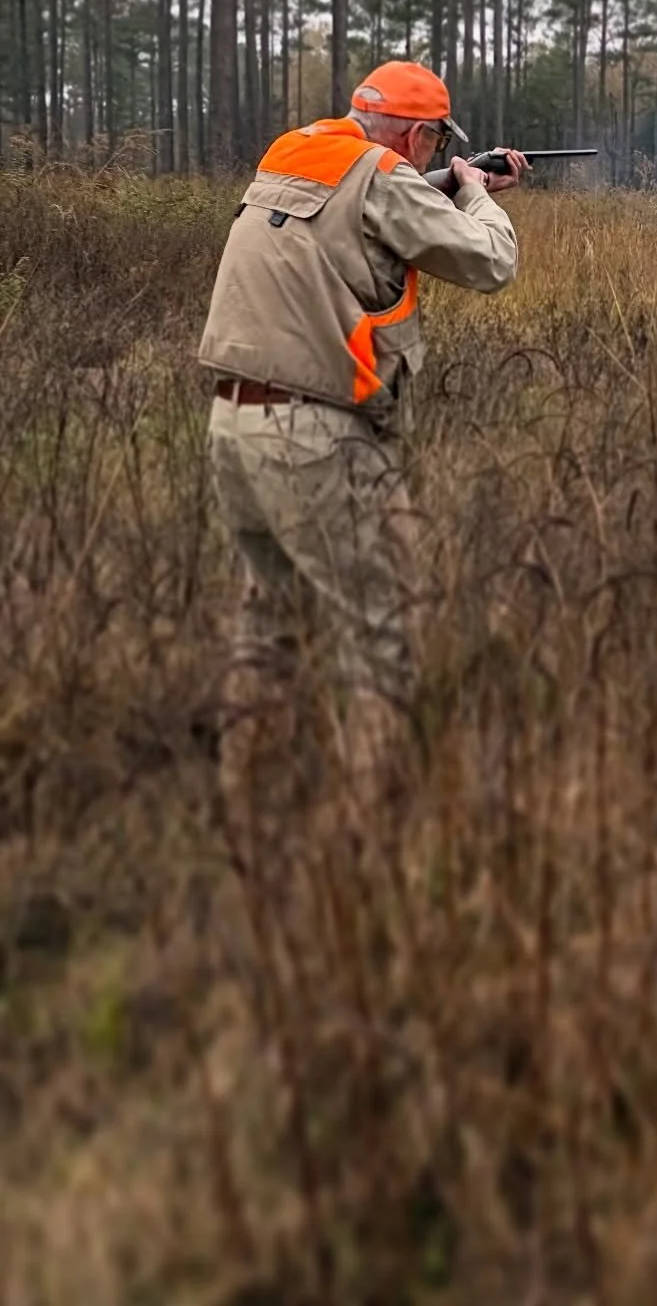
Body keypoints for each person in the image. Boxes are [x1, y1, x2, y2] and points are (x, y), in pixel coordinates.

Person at [197, 60, 528, 824]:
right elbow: (492, 262)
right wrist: (474, 191)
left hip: (234, 424)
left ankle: (240, 813)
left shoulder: (292, 150)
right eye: (433, 144)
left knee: (267, 628)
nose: (430, 154)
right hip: (315, 435)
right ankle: (361, 838)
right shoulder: (386, 173)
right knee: (383, 626)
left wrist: (435, 185)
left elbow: (346, 223)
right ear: (419, 134)